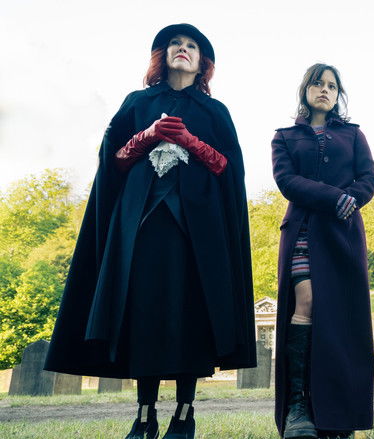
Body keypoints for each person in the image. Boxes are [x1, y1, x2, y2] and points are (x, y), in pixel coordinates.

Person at [44, 23, 256, 439]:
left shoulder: (216, 111)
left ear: (203, 62)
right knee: (145, 313)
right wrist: (146, 136)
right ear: (163, 55)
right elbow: (113, 161)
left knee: (192, 312)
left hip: (199, 232)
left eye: (192, 45)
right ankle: (145, 416)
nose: (183, 48)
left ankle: (184, 414)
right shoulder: (138, 102)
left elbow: (228, 170)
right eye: (175, 43)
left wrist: (191, 141)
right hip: (142, 225)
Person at [271, 63, 374, 439]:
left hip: (343, 234)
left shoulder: (353, 134)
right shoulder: (284, 136)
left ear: (338, 95)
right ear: (306, 90)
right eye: (318, 84)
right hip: (302, 230)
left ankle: (338, 414)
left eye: (332, 86)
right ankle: (298, 407)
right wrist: (335, 197)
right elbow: (286, 180)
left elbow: (369, 177)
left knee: (339, 316)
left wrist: (353, 198)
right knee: (307, 302)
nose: (325, 90)